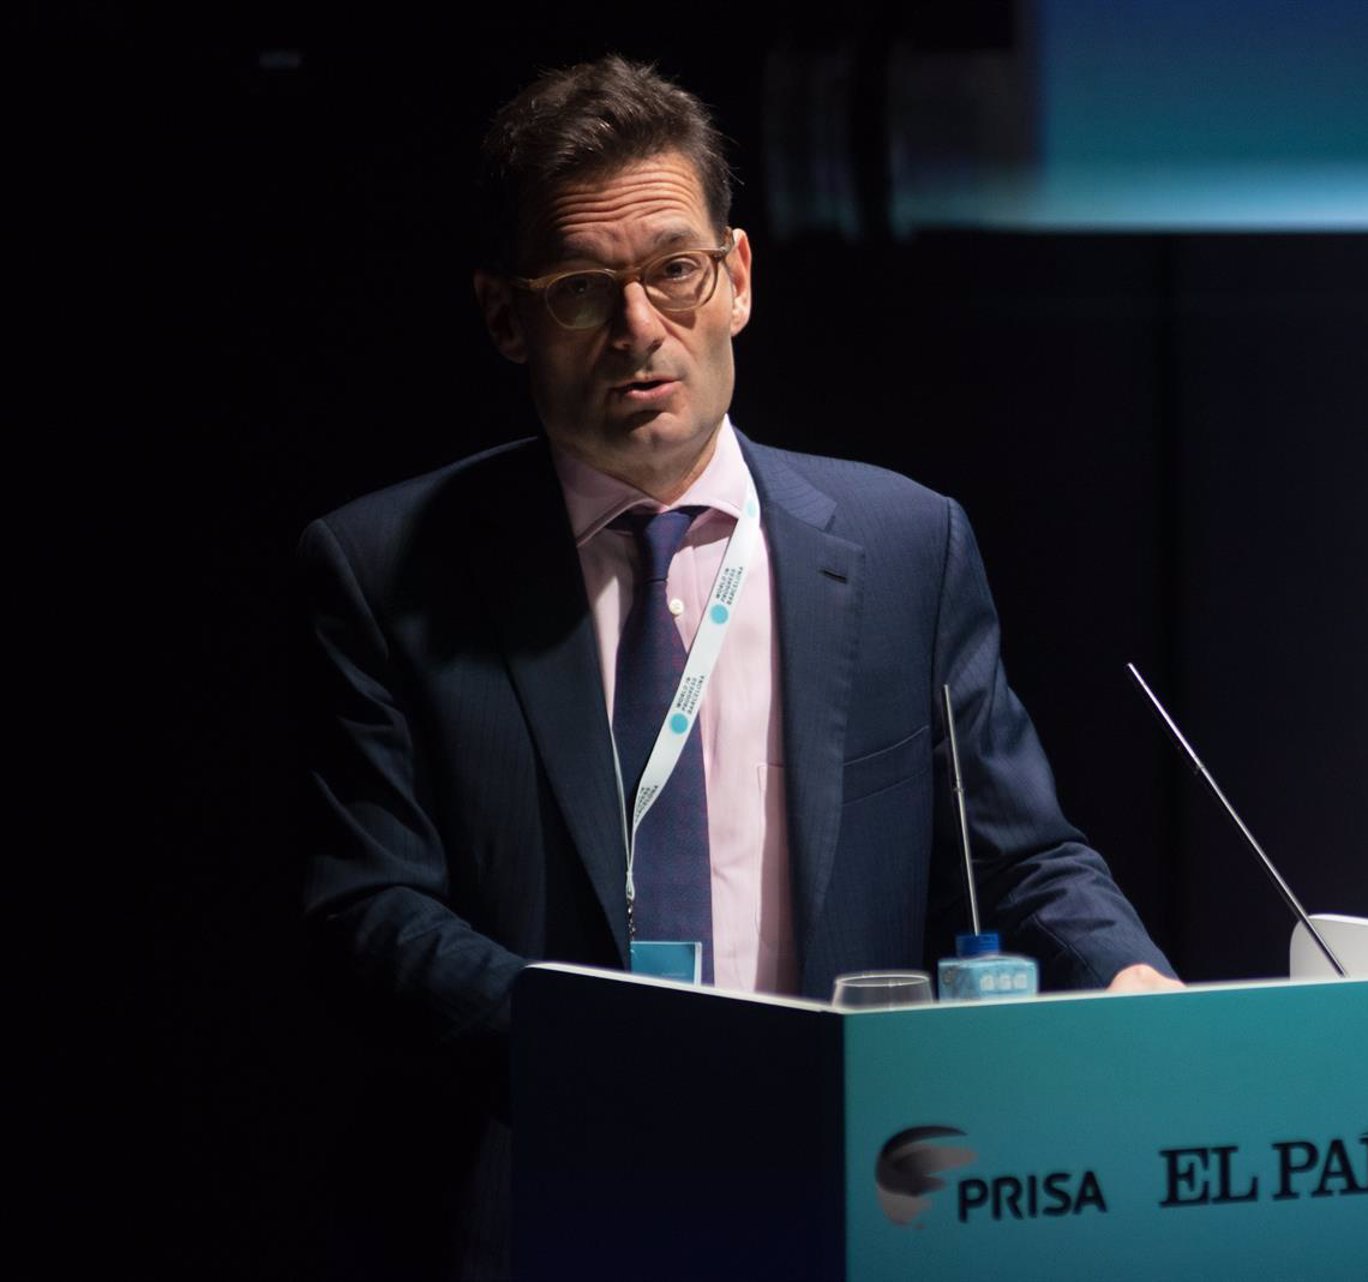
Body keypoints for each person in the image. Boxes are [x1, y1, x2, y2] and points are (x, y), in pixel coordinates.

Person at [298, 53, 1176, 1279]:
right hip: (538, 1205)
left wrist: (1127, 978)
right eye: (580, 290)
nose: (638, 328)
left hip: (855, 1200)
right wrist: (610, 1060)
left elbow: (1018, 856)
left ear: (738, 277)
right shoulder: (382, 568)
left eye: (674, 269)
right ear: (505, 316)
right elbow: (369, 908)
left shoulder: (904, 546)